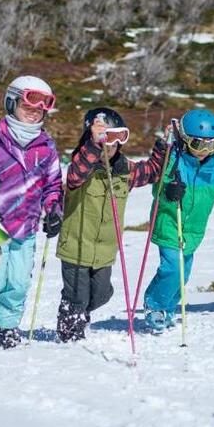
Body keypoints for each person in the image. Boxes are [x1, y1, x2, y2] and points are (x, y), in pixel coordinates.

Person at [0, 75, 63, 349]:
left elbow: (53, 185)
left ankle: (5, 327)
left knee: (18, 283)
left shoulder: (47, 147)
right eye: (28, 104)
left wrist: (53, 209)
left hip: (26, 227)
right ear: (11, 102)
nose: (34, 111)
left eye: (41, 107)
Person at [55, 108, 168, 342]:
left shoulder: (125, 171)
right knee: (77, 296)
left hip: (105, 251)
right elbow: (75, 175)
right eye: (104, 139)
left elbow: (153, 171)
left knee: (102, 294)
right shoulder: (81, 168)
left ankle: (79, 311)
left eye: (116, 138)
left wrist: (163, 145)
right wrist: (93, 145)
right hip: (76, 247)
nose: (110, 145)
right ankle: (69, 334)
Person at [143, 109, 214, 334]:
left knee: (183, 275)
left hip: (193, 233)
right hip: (169, 223)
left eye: (211, 145)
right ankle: (154, 306)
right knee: (172, 268)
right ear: (186, 140)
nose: (204, 151)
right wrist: (168, 191)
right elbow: (157, 190)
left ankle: (168, 307)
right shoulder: (172, 160)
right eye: (198, 144)